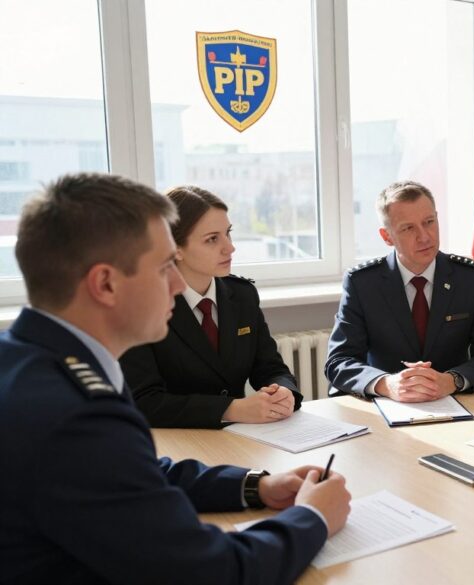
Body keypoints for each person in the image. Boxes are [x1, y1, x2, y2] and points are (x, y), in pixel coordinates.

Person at [0, 173, 350, 584]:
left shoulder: (25, 359)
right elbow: (212, 573)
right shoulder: (75, 418)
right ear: (106, 283)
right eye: (165, 265)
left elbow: (136, 472)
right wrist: (312, 518)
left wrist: (257, 485)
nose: (177, 283)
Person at [120, 185, 301, 428]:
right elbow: (145, 402)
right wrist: (230, 409)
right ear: (176, 249)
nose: (230, 247)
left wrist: (284, 392)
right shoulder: (141, 307)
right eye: (212, 239)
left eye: (228, 233)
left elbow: (270, 368)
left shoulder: (242, 295)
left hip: (241, 438)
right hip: (178, 444)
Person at [325, 180, 474, 402]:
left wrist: (452, 380)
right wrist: (387, 384)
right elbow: (339, 360)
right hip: (386, 405)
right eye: (408, 228)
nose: (424, 236)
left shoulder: (470, 279)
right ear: (387, 236)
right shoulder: (363, 283)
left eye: (429, 222)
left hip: (457, 402)